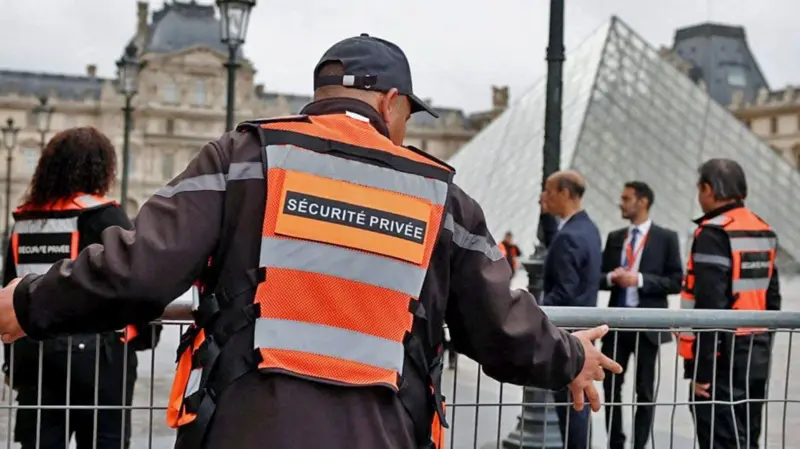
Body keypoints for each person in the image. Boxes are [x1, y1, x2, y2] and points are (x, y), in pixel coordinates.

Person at [0, 34, 621, 449]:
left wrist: (27, 304)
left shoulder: (245, 157)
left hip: (248, 423)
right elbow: (500, 325)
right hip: (383, 429)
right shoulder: (440, 195)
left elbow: (139, 269)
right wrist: (571, 357)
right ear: (391, 101)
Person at [1, 127, 160, 449]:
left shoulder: (25, 218)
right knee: (104, 440)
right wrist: (144, 336)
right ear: (102, 168)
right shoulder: (104, 214)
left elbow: (8, 290)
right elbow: (139, 277)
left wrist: (10, 362)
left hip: (34, 350)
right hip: (100, 357)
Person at [678, 158, 780, 449]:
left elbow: (711, 309)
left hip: (722, 358)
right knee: (747, 435)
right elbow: (773, 301)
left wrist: (702, 373)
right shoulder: (763, 229)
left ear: (709, 189)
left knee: (720, 438)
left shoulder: (714, 233)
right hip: (755, 353)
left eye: (700, 190)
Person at [600, 181, 683, 449]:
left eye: (626, 198)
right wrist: (613, 277)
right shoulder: (615, 238)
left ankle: (639, 445)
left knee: (645, 391)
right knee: (611, 388)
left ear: (643, 201)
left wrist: (640, 279)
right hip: (617, 325)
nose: (621, 203)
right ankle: (616, 443)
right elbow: (599, 278)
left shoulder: (666, 238)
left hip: (648, 325)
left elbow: (675, 281)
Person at [539, 170, 602, 449]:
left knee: (571, 408)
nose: (543, 197)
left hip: (568, 336)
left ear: (565, 193)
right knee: (578, 406)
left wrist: (536, 314)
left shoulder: (569, 237)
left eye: (549, 191)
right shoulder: (587, 229)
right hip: (583, 329)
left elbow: (563, 291)